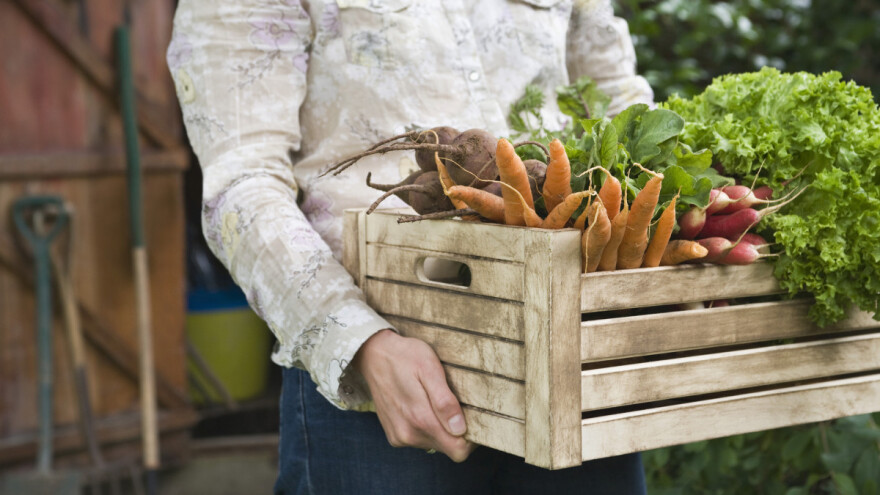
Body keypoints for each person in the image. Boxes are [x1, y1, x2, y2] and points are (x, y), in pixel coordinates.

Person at [167, 0, 654, 492]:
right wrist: (360, 343)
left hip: (574, 347)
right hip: (385, 381)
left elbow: (619, 102)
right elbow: (243, 185)